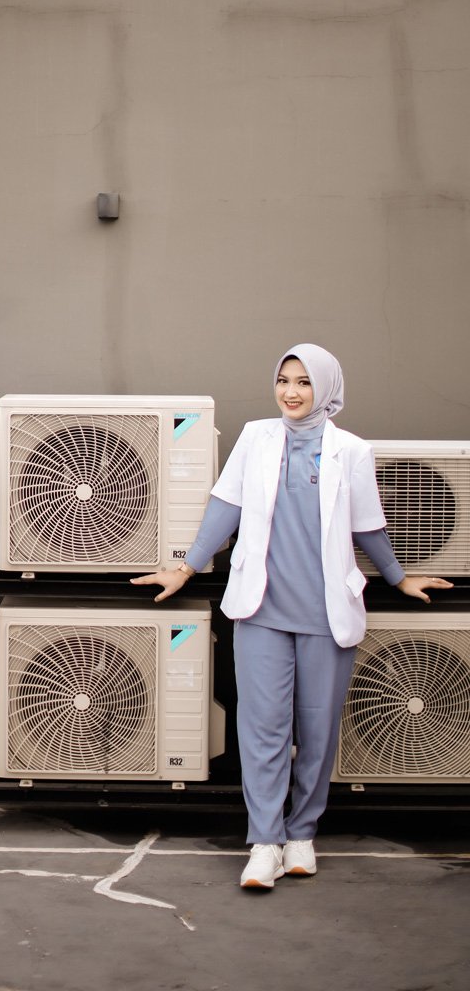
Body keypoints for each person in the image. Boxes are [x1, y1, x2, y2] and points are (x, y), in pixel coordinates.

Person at [131, 343, 452, 889]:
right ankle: (264, 841)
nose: (291, 392)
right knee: (263, 728)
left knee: (318, 731)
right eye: (283, 380)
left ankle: (301, 834)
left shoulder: (352, 451)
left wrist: (399, 578)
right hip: (261, 609)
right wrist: (185, 568)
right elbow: (226, 507)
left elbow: (368, 525)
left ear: (325, 389)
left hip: (326, 614)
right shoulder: (255, 437)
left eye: (304, 382)